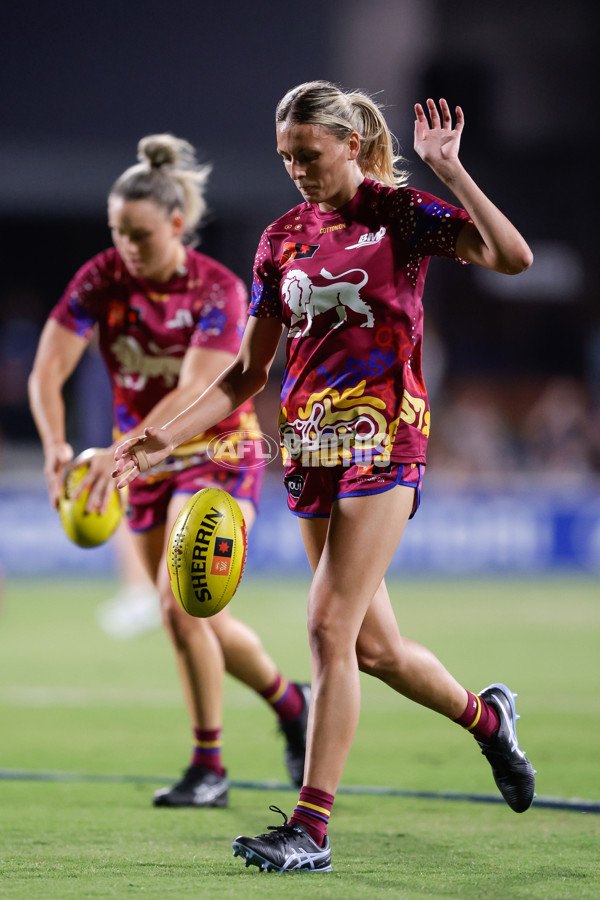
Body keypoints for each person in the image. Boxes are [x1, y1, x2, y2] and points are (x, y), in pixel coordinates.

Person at [113, 83, 536, 872]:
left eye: (308, 154)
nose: (297, 169)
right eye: (286, 157)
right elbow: (245, 377)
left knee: (326, 628)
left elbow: (513, 258)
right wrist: (154, 440)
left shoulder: (398, 217)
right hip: (307, 453)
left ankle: (309, 829)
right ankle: (488, 720)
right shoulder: (279, 241)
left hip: (385, 440)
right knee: (374, 648)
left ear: (348, 144)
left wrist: (451, 172)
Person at [28, 133, 311, 808]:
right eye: (117, 232)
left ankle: (209, 764)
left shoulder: (217, 288)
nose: (126, 247)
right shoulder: (101, 277)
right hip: (139, 465)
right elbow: (49, 367)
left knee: (179, 601)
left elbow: (194, 389)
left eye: (141, 235)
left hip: (216, 453)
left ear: (177, 224)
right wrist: (56, 445)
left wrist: (116, 452)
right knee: (193, 616)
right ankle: (290, 702)